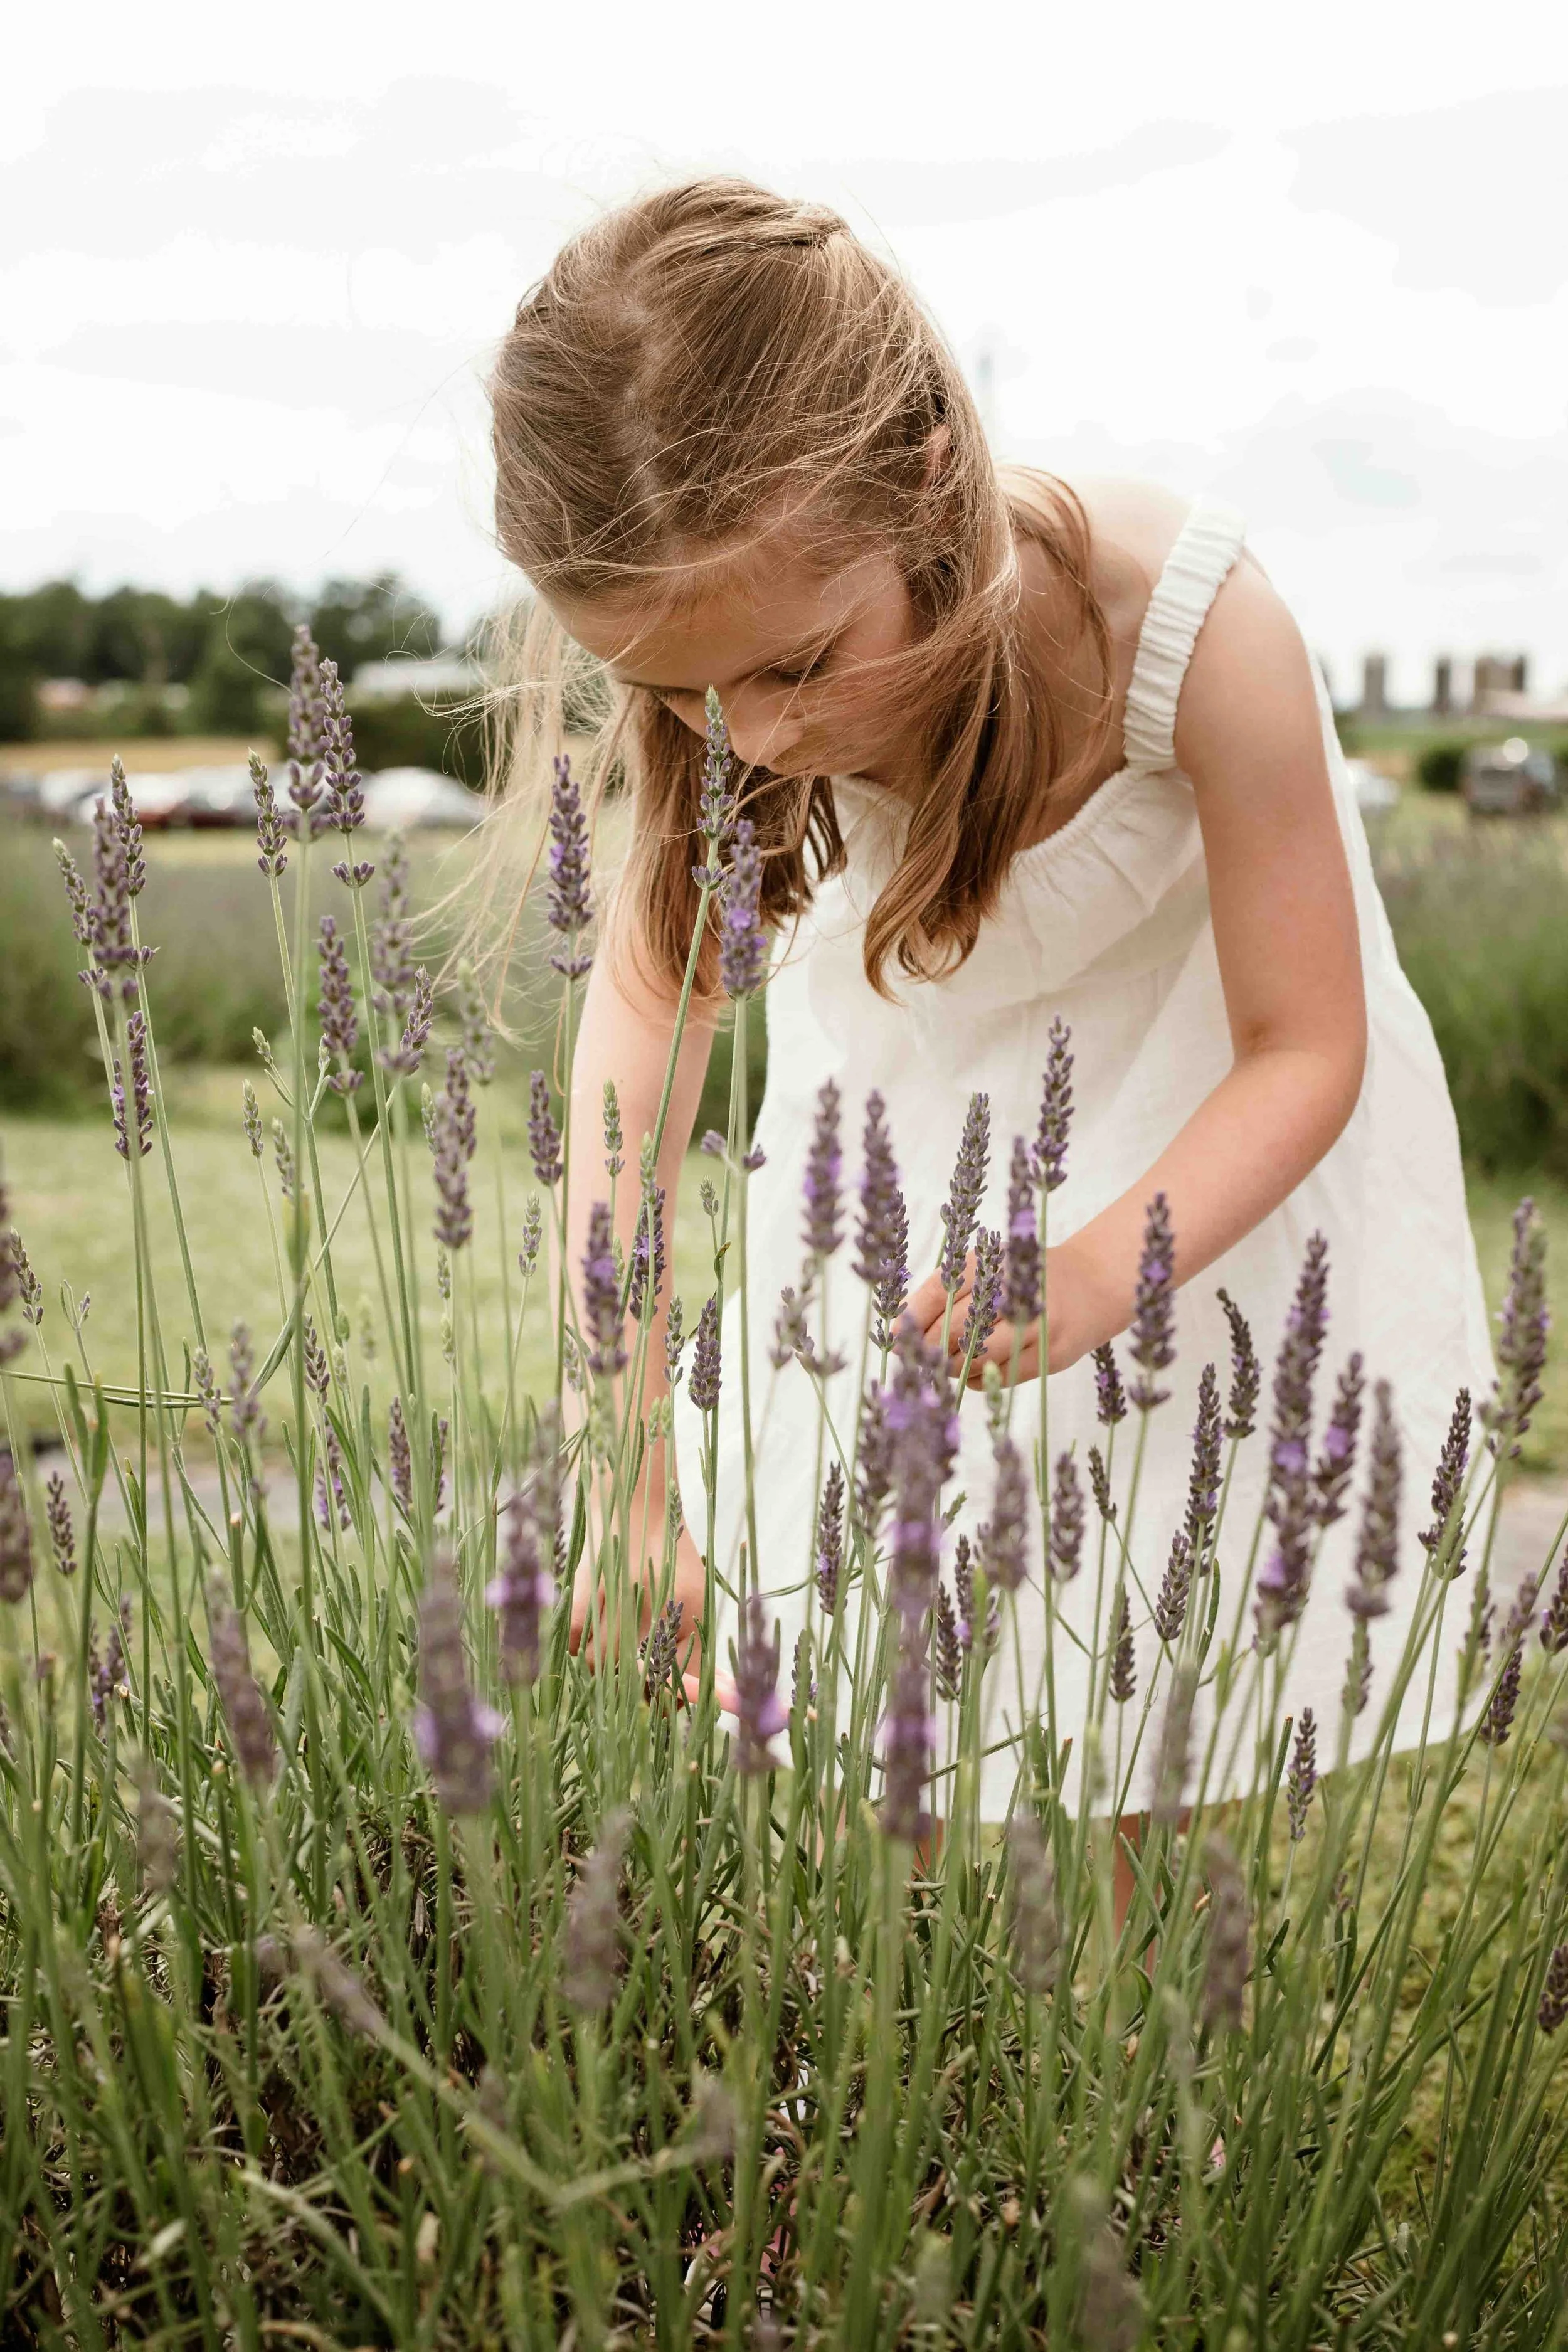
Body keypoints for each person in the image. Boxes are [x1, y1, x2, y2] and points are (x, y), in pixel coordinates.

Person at [475, 175, 1496, 1822]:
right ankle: (974, 2058)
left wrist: (1106, 1269)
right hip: (915, 1134)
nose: (752, 737)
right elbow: (632, 1069)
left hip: (1199, 1160)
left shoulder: (1190, 620)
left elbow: (1305, 1041)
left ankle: (1123, 2061)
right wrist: (629, 1473)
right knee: (915, 1700)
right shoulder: (732, 688)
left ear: (926, 480)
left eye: (799, 667)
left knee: (1140, 1676)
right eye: (676, 689)